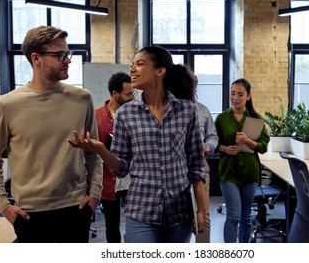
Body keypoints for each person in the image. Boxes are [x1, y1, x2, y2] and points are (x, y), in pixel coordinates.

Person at [68, 46, 207, 243]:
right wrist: (100, 148)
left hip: (179, 212)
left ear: (160, 70)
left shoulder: (186, 110)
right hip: (141, 210)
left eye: (140, 64)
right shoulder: (126, 114)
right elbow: (121, 168)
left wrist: (201, 210)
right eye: (132, 64)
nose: (132, 69)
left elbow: (196, 164)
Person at [0, 26, 103, 243]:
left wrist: (95, 193)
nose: (68, 60)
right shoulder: (7, 105)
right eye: (59, 55)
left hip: (76, 208)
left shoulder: (82, 98)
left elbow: (93, 153)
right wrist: (4, 206)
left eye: (68, 53)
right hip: (30, 214)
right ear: (36, 58)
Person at [214, 78, 269, 243]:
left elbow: (263, 146)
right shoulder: (222, 119)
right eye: (232, 94)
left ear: (248, 96)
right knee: (233, 216)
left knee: (246, 217)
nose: (235, 98)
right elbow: (213, 142)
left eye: (240, 94)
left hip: (250, 173)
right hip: (228, 172)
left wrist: (248, 141)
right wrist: (224, 148)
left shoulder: (255, 119)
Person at [168, 71, 218, 243]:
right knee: (177, 215)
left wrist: (208, 146)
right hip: (176, 168)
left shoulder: (202, 110)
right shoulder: (167, 109)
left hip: (200, 165)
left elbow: (212, 136)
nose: (193, 91)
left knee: (203, 214)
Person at [95, 71, 134, 243]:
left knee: (135, 223)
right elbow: (90, 149)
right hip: (108, 178)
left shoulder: (135, 114)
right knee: (112, 224)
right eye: (128, 94)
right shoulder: (97, 116)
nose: (132, 97)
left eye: (133, 93)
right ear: (114, 94)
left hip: (132, 177)